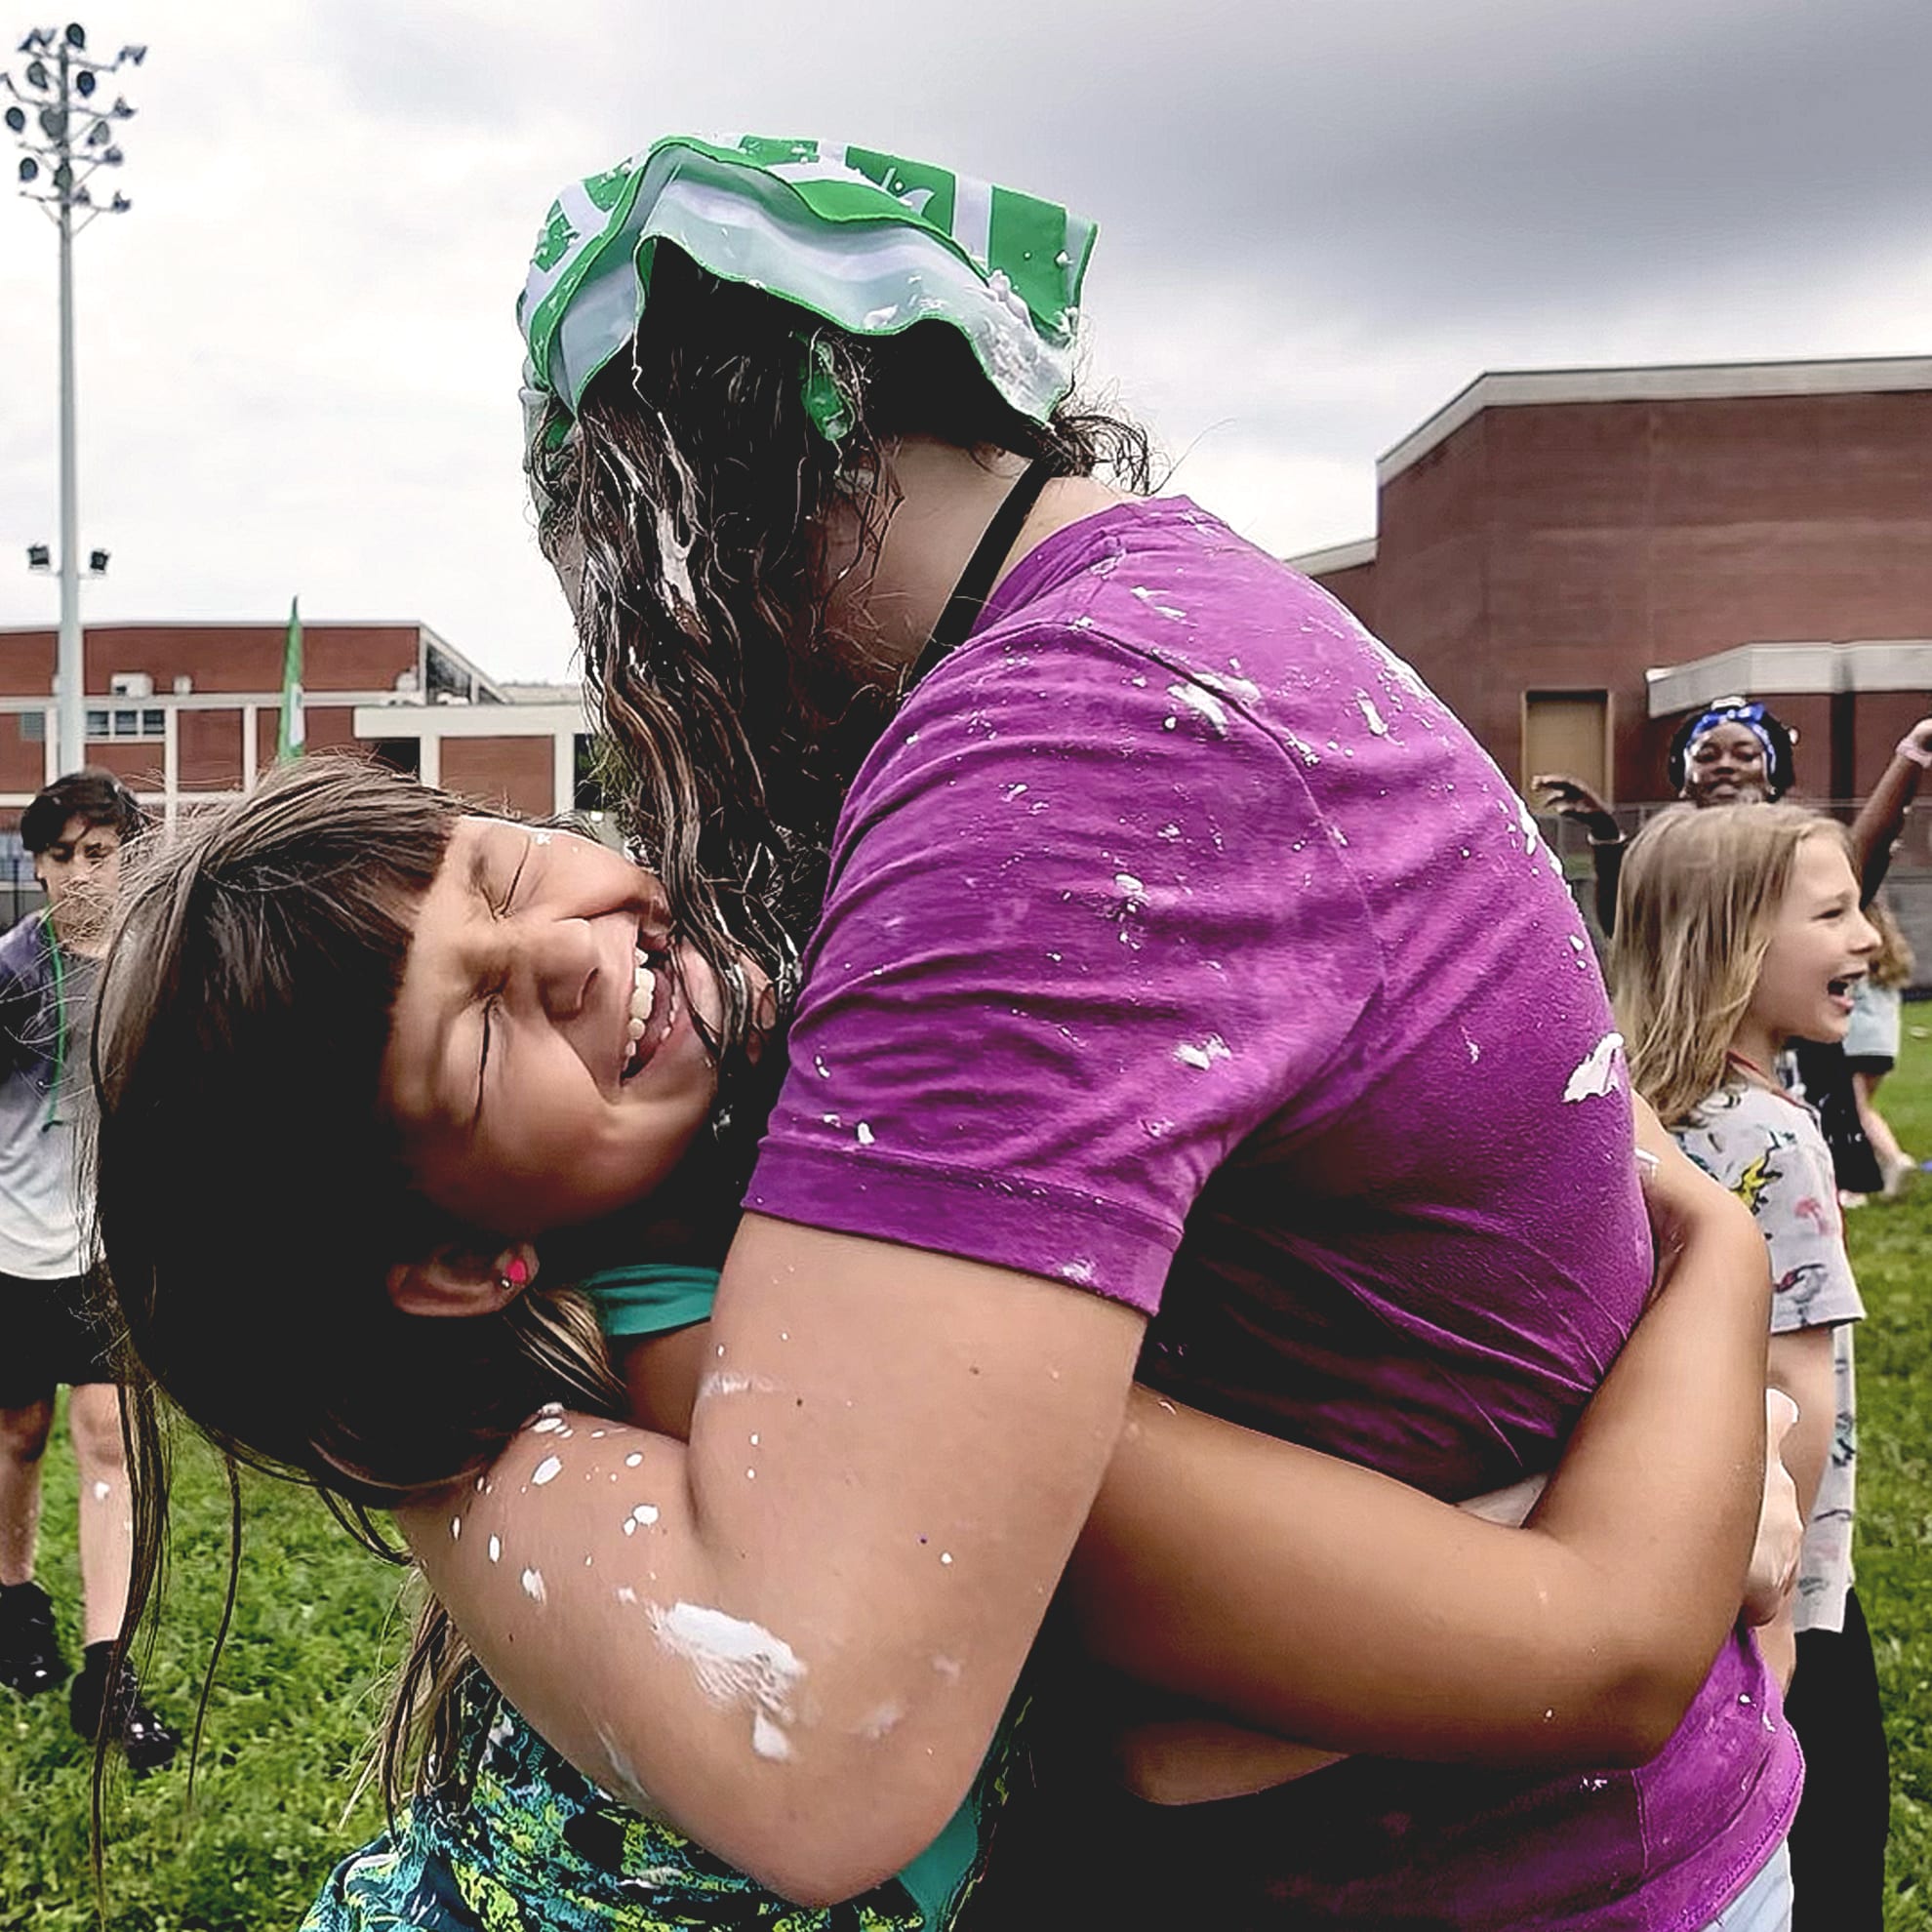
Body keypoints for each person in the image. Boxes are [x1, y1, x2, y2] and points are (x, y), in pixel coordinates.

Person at [93, 758, 1793, 1931]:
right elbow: (1592, 1647)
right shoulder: (753, 1365)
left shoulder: (763, 1159)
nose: (568, 953)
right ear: (461, 1258)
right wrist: (1716, 1248)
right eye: (471, 1037)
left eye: (507, 866)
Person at [1612, 803, 1890, 1930]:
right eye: (1832, 913)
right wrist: (1778, 1619)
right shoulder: (1774, 1135)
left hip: (1688, 1560)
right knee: (1833, 1850)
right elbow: (1797, 1387)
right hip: (1791, 1588)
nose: (1867, 938)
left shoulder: (1648, 1114)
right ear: (1731, 947)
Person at [1539, 698, 1932, 1197]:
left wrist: (1909, 759)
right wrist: (1607, 837)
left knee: (1785, 1192)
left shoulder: (1793, 851)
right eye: (1708, 754)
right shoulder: (1670, 851)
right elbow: (1630, 922)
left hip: (1782, 1071)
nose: (1725, 764)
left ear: (1773, 774)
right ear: (1683, 775)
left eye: (1745, 754)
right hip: (1687, 1065)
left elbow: (1857, 867)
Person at [0, 770, 176, 1770]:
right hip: (10, 1248)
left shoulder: (156, 971)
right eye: (61, 856)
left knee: (106, 1435)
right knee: (18, 1433)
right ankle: (15, 1603)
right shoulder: (8, 975)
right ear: (37, 866)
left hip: (108, 1253)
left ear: (129, 857)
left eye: (99, 854)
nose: (80, 874)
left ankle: (106, 1672)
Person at [1843, 895, 1914, 1191]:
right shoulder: (1891, 961)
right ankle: (1881, 1164)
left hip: (1856, 1043)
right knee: (1864, 1108)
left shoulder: (1855, 958)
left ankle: (1893, 1158)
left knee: (1856, 1111)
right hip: (1884, 1045)